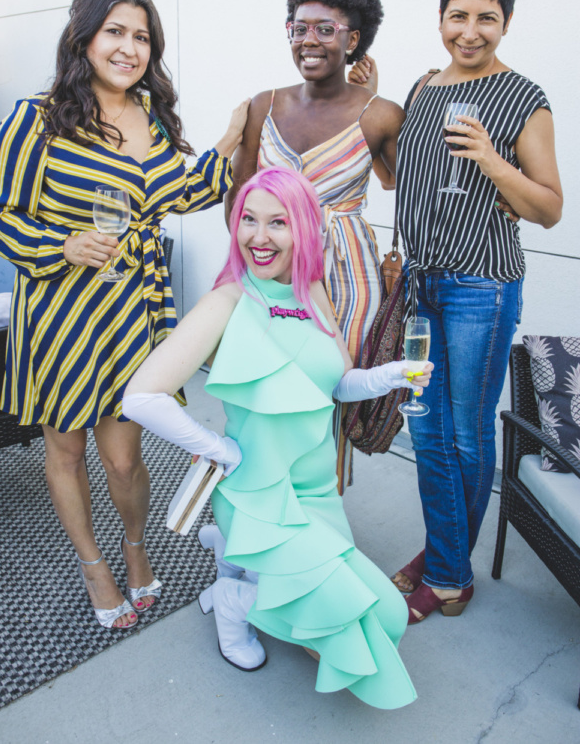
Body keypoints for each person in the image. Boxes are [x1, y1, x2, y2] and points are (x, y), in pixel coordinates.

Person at [0, 0, 248, 629]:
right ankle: (93, 564)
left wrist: (236, 132)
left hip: (129, 313)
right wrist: (64, 244)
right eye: (116, 32)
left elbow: (177, 195)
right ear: (85, 36)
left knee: (124, 456)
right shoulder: (36, 119)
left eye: (142, 37)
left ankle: (134, 548)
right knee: (66, 451)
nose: (129, 48)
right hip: (59, 313)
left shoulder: (152, 122)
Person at [123, 166, 432, 709]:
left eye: (277, 222)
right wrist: (219, 450)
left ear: (304, 231)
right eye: (248, 219)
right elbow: (140, 398)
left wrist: (390, 375)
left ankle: (234, 559)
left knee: (383, 614)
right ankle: (233, 599)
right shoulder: (227, 300)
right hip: (257, 493)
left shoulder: (312, 292)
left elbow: (337, 384)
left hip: (316, 491)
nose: (259, 236)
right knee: (342, 622)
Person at [355, 0, 563, 623]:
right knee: (429, 426)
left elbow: (549, 208)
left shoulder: (525, 99)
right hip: (423, 286)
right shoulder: (422, 90)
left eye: (486, 18)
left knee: (465, 435)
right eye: (458, 16)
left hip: (482, 289)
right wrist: (376, 105)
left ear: (506, 22)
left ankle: (447, 575)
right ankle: (446, 552)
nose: (470, 31)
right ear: (440, 16)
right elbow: (396, 181)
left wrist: (492, 160)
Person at [228, 0, 403, 493]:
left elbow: (402, 187)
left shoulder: (381, 114)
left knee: (330, 394)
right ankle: (272, 506)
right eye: (299, 27)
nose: (309, 39)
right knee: (272, 394)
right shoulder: (265, 104)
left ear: (354, 39)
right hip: (274, 271)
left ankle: (321, 520)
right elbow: (238, 193)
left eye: (326, 29)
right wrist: (243, 268)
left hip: (348, 275)